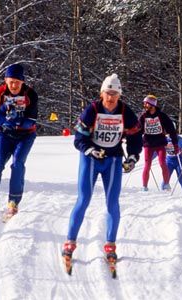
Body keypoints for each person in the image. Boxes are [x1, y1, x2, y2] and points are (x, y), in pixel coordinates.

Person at [62, 74, 142, 266]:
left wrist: (132, 156)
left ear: (119, 95)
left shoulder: (125, 112)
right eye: (108, 93)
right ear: (102, 93)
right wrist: (90, 149)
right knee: (84, 199)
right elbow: (78, 138)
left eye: (114, 94)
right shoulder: (93, 110)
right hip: (91, 159)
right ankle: (70, 242)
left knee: (112, 201)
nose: (111, 97)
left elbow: (135, 136)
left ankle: (110, 245)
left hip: (113, 160)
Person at [0, 63, 38, 220]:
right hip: (5, 134)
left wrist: (17, 121)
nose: (14, 85)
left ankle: (13, 201)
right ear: (6, 80)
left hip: (25, 136)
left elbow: (31, 122)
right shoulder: (0, 92)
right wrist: (3, 109)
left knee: (17, 164)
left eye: (17, 82)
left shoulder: (30, 94)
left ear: (22, 82)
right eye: (11, 81)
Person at [138, 95, 178, 191]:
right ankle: (144, 186)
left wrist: (175, 143)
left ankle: (166, 184)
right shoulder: (143, 116)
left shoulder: (162, 116)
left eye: (146, 103)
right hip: (148, 144)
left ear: (152, 104)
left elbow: (171, 130)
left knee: (162, 163)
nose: (144, 105)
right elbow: (138, 130)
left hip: (160, 143)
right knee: (147, 165)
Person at [165, 129, 182, 193]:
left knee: (181, 178)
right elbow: (157, 151)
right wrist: (150, 159)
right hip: (169, 161)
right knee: (166, 179)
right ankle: (164, 195)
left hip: (179, 161)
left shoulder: (180, 139)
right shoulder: (164, 140)